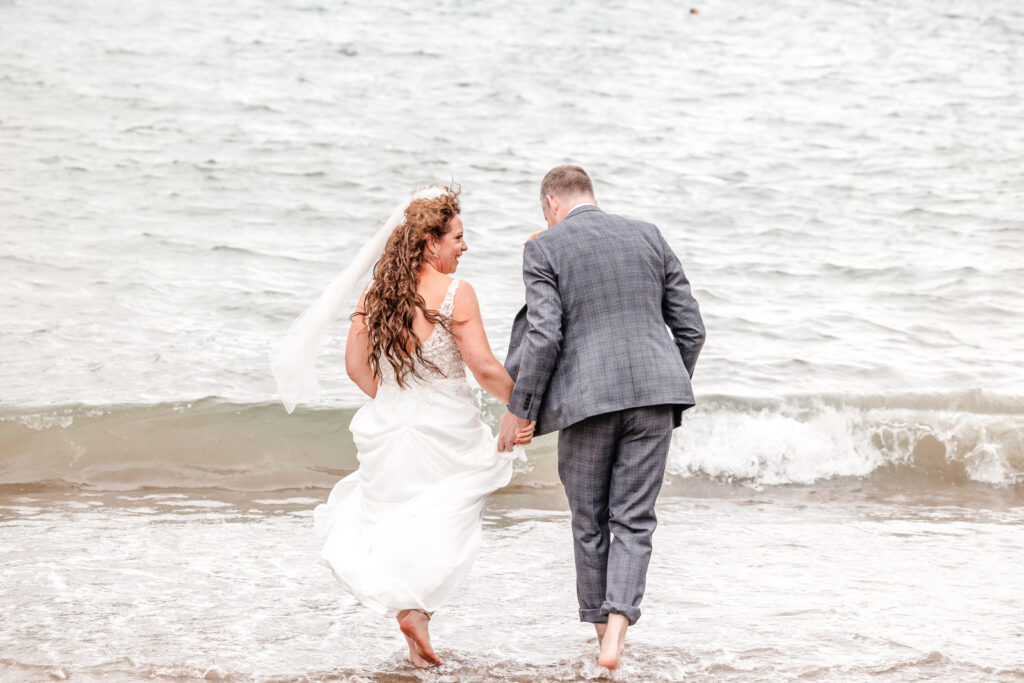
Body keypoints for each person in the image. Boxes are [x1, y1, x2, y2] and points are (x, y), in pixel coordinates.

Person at [273, 185, 533, 668]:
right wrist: (525, 405)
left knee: (405, 518)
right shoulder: (457, 292)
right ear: (430, 242)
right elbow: (484, 368)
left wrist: (396, 399)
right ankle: (419, 609)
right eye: (457, 236)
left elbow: (354, 366)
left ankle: (417, 624)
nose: (464, 245)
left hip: (388, 426)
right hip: (446, 428)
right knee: (449, 515)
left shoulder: (376, 294)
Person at [498, 165, 705, 670]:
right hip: (656, 395)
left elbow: (544, 336)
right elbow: (692, 329)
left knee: (589, 521)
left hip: (588, 404)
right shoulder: (648, 235)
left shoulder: (543, 248)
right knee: (634, 520)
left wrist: (520, 408)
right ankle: (617, 634)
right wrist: (668, 381)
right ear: (590, 195)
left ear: (551, 204)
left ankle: (601, 642)